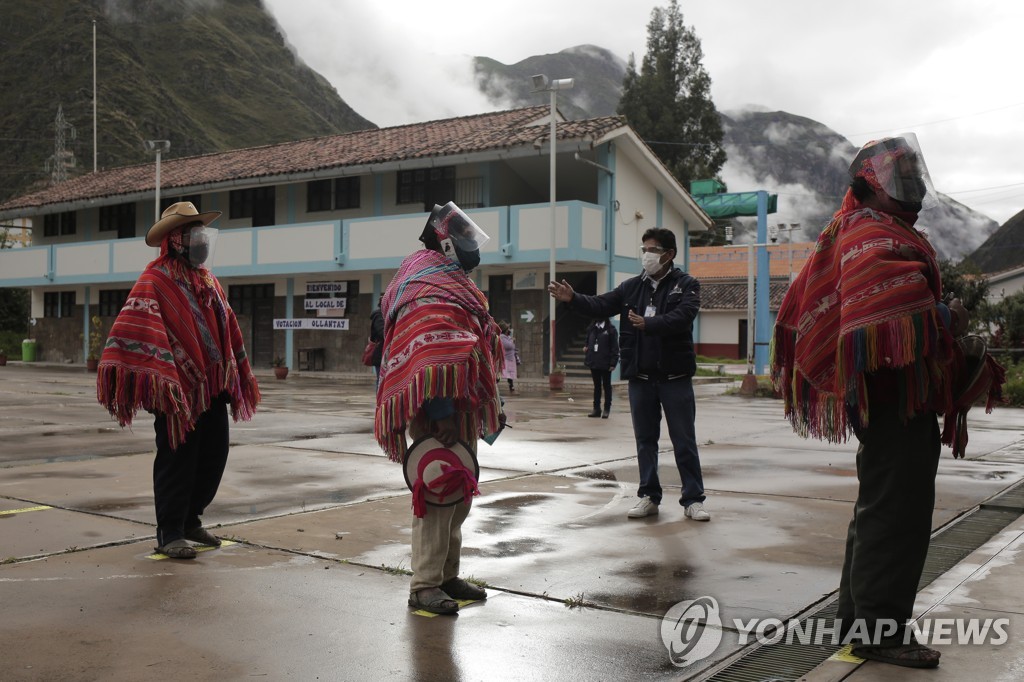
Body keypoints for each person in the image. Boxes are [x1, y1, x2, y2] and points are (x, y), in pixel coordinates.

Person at [770, 135, 997, 669]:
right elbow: (883, 319)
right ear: (870, 184)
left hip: (892, 397)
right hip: (892, 398)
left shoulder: (867, 229)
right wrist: (945, 319)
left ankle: (860, 622)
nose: (913, 187)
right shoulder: (870, 232)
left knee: (880, 510)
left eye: (914, 175)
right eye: (901, 177)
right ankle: (879, 633)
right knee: (897, 514)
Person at [96, 202, 261, 559]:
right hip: (174, 389)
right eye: (193, 235)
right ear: (175, 240)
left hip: (211, 388)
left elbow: (226, 326)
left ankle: (190, 521)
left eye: (203, 235)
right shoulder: (154, 280)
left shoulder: (208, 280)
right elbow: (134, 328)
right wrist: (162, 374)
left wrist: (233, 374)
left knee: (213, 456)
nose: (201, 242)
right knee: (178, 459)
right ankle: (169, 531)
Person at [375, 201, 506, 615]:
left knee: (459, 492)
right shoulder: (426, 277)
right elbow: (431, 345)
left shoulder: (445, 276)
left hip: (460, 400)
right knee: (437, 491)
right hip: (438, 406)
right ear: (445, 241)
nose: (472, 246)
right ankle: (425, 584)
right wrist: (440, 411)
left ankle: (448, 575)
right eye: (465, 238)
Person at [548, 227, 710, 522]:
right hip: (641, 380)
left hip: (675, 380)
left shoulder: (686, 285)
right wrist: (573, 298)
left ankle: (693, 500)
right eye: (644, 249)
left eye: (652, 250)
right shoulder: (631, 287)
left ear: (669, 254)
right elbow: (600, 304)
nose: (646, 255)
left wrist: (650, 323)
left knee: (683, 440)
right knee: (645, 441)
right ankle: (649, 496)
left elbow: (683, 317)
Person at [584, 318, 619, 418]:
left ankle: (606, 409)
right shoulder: (592, 328)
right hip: (593, 361)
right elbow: (587, 341)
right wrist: (586, 348)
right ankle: (596, 409)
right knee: (597, 386)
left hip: (606, 363)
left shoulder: (611, 330)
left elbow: (614, 347)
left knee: (607, 386)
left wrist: (613, 363)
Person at [498, 321, 520, 393]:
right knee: (503, 373)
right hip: (506, 359)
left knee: (510, 373)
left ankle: (511, 386)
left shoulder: (507, 337)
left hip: (510, 358)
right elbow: (508, 346)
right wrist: (512, 341)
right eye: (508, 328)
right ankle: (496, 383)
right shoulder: (502, 337)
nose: (509, 330)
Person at [369, 306, 385, 384]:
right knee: (380, 381)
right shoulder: (379, 315)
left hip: (385, 353)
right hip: (380, 353)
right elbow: (381, 333)